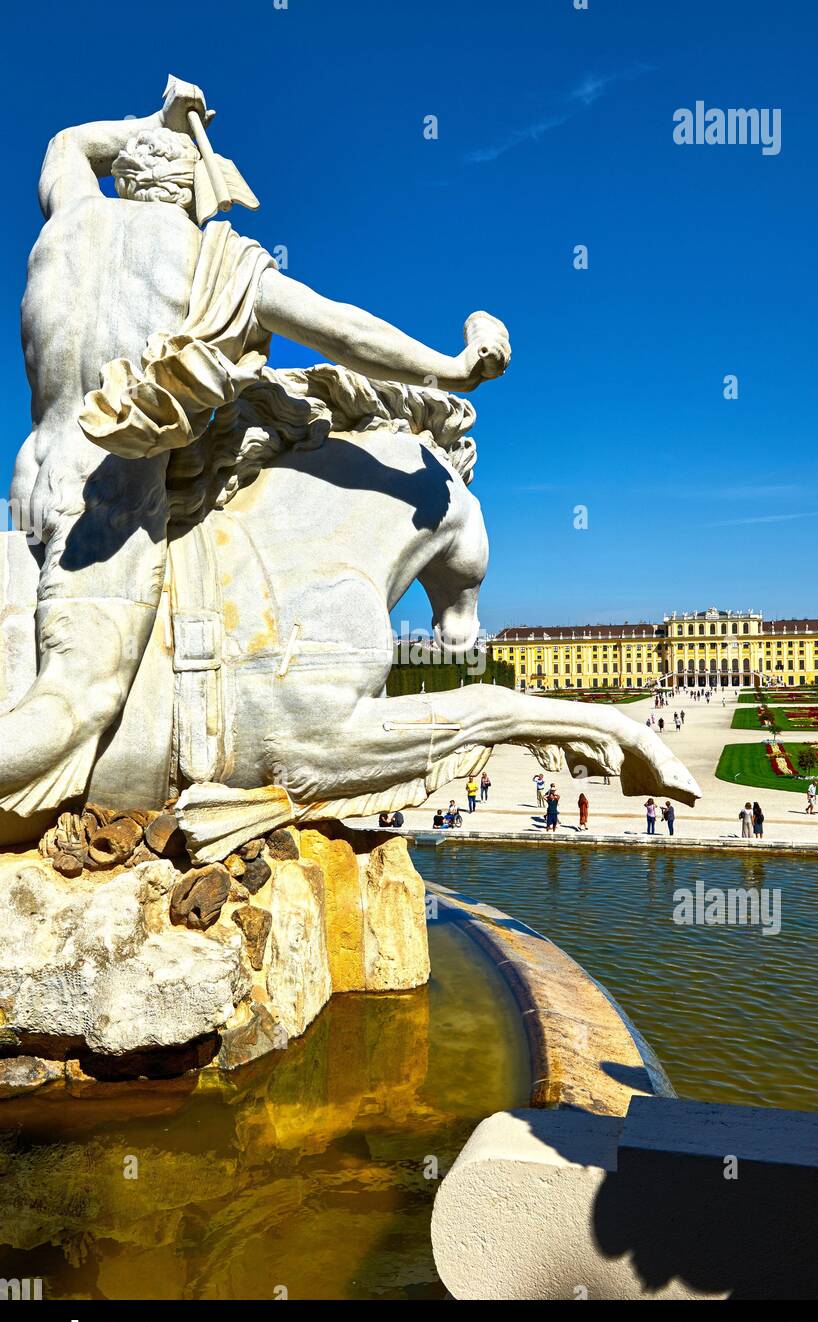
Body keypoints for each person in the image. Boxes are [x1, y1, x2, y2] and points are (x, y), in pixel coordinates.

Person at [0, 79, 510, 816]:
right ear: (190, 188)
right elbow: (343, 332)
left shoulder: (69, 222)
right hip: (109, 502)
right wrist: (452, 368)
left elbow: (68, 144)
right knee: (74, 708)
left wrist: (156, 120)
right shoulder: (215, 262)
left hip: (31, 486)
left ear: (128, 172)